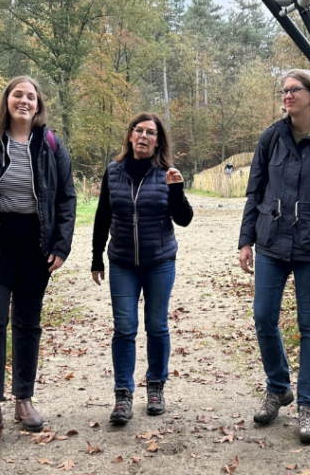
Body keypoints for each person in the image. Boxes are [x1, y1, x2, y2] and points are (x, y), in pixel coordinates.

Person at [0, 76, 77, 444]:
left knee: (27, 324)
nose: (24, 100)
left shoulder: (51, 145)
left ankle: (24, 400)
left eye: (31, 96)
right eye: (17, 95)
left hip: (35, 249)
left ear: (38, 104)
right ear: (7, 100)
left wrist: (61, 245)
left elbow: (66, 198)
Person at [238, 69, 310, 444]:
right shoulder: (272, 137)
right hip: (272, 244)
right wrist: (246, 242)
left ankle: (308, 406)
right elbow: (254, 193)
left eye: (295, 90)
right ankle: (278, 387)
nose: (287, 96)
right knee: (263, 317)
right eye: (284, 91)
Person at [91, 114, 192, 425]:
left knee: (157, 325)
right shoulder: (114, 171)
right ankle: (123, 394)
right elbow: (103, 214)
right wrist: (96, 257)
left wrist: (176, 190)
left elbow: (184, 219)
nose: (144, 136)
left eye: (151, 132)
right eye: (139, 131)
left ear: (158, 140)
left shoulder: (167, 173)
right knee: (124, 327)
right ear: (130, 136)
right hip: (122, 262)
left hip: (160, 262)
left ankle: (156, 387)